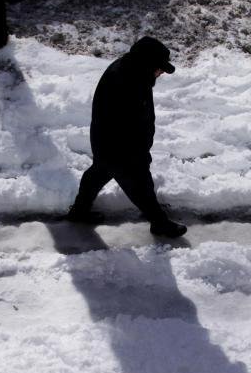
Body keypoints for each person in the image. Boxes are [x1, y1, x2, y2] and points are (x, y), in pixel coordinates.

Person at [66, 36, 187, 238]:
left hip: (108, 140)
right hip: (119, 145)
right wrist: (139, 153)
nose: (160, 73)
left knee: (98, 173)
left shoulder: (133, 71)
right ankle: (159, 222)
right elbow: (129, 123)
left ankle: (79, 212)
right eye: (159, 68)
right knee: (139, 185)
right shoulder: (130, 80)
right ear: (148, 63)